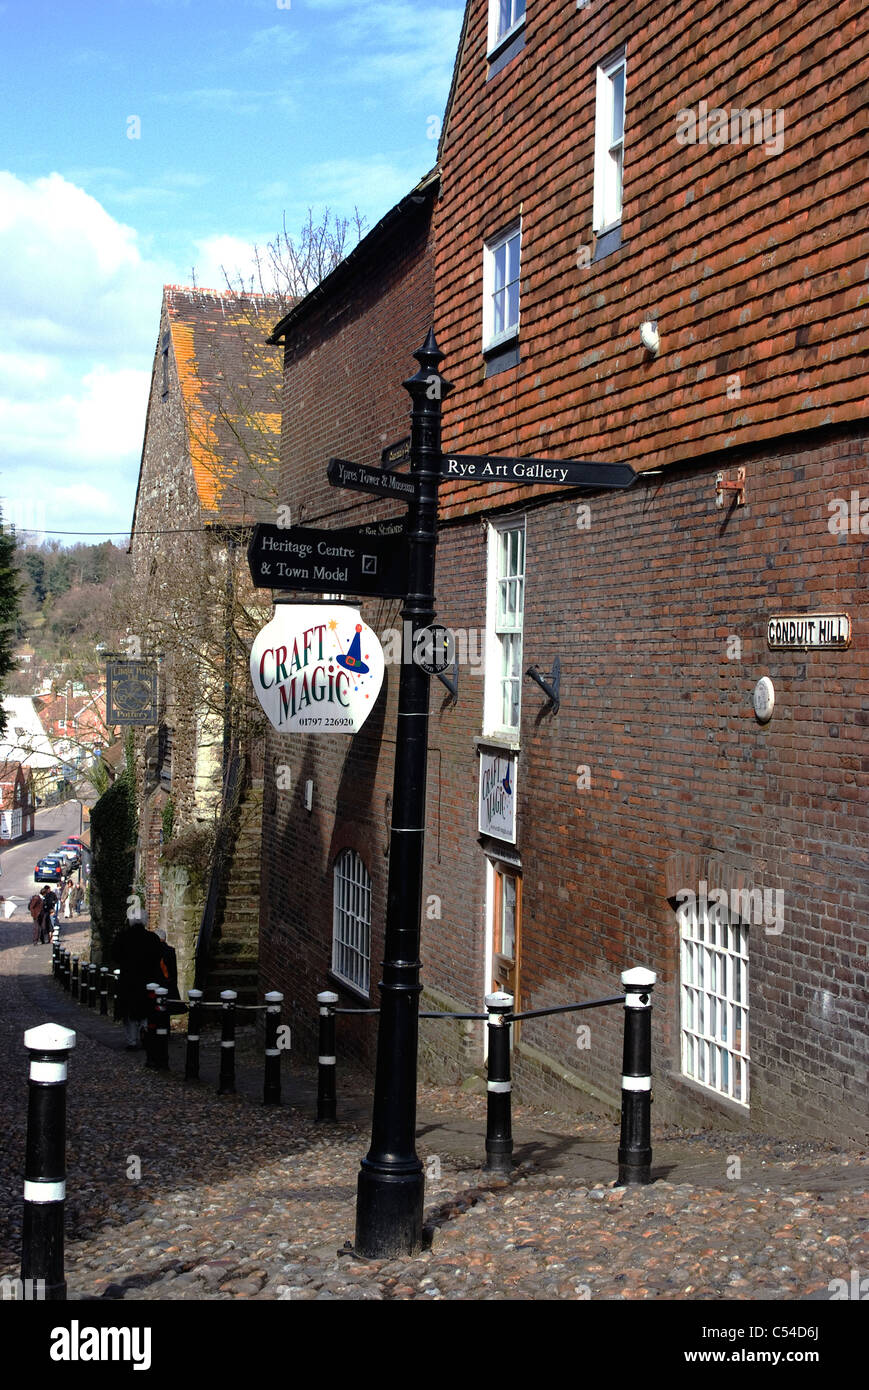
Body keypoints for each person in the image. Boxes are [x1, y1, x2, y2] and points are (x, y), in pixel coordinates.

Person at [112, 904, 163, 1050]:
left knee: (129, 1013)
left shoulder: (123, 937)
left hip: (128, 979)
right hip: (147, 979)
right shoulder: (152, 938)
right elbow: (158, 956)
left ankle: (132, 1040)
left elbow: (115, 955)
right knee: (146, 1010)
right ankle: (146, 1030)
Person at [155, 928, 181, 1010]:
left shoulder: (152, 950)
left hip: (156, 983)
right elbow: (174, 971)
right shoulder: (171, 950)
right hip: (168, 984)